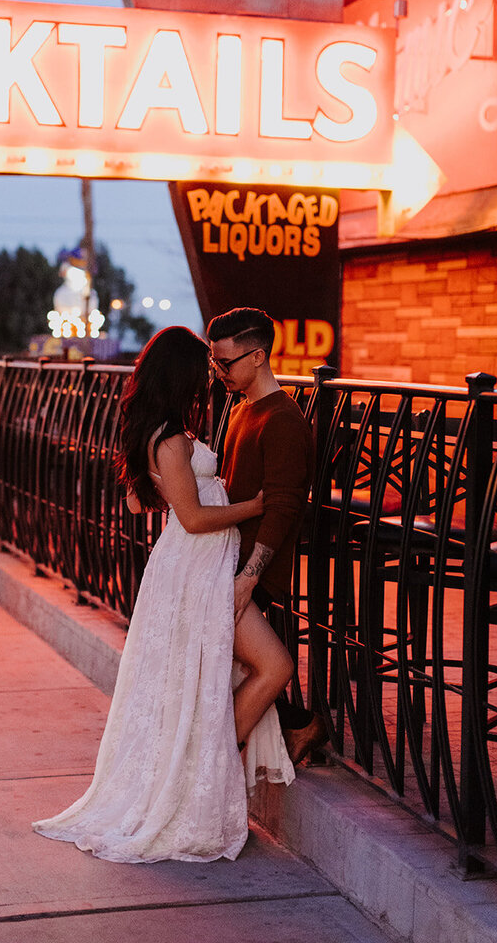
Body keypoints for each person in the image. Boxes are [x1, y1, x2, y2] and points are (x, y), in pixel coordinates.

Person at [33, 326, 294, 863]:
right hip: (197, 565)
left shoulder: (158, 431)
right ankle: (203, 770)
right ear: (180, 373)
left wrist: (180, 488)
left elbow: (138, 505)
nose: (211, 376)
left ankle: (202, 765)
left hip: (189, 564)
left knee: (194, 682)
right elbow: (194, 518)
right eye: (204, 368)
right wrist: (253, 505)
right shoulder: (170, 437)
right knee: (267, 666)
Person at [207, 307, 327, 766]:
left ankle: (212, 773)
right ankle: (301, 726)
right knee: (215, 670)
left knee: (251, 669)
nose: (219, 373)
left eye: (226, 363)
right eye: (214, 362)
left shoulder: (283, 419)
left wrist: (249, 578)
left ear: (258, 357)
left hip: (251, 570)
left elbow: (283, 507)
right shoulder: (241, 409)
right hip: (226, 559)